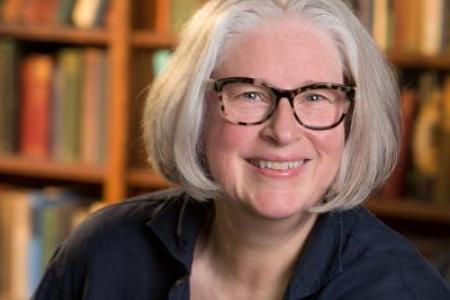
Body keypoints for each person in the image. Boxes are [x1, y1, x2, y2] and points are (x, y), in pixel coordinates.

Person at [33, 0, 450, 299]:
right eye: (250, 95)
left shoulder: (403, 289)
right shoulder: (104, 251)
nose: (283, 131)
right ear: (194, 109)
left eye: (317, 97)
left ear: (353, 120)